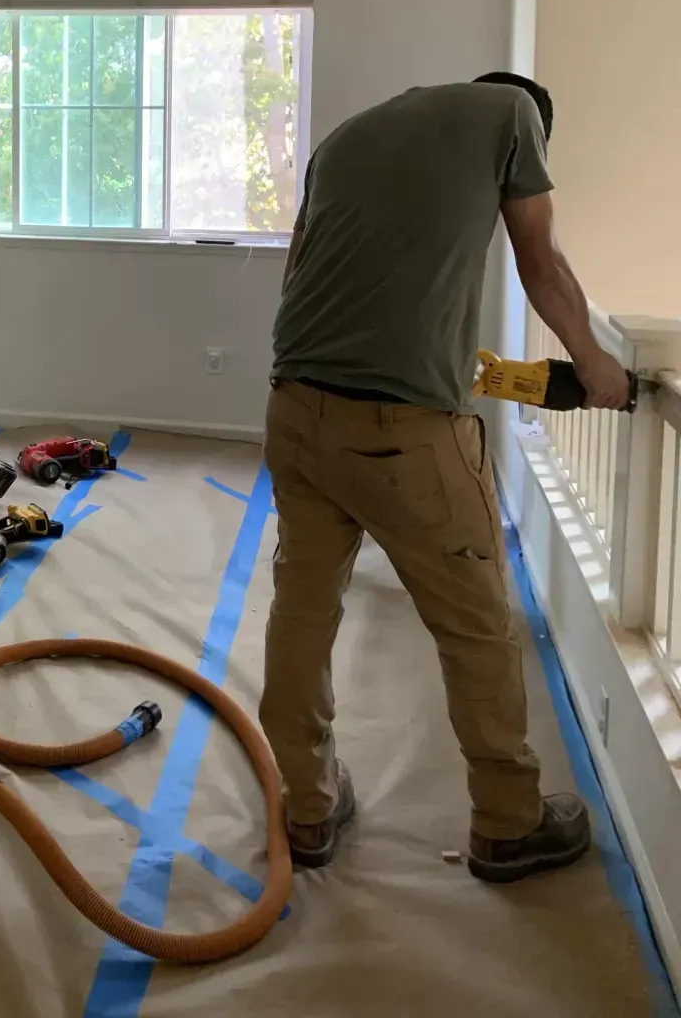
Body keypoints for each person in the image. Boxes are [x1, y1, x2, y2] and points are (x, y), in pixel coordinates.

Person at [259, 73, 629, 883]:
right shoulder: (519, 112)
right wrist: (598, 369)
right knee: (479, 627)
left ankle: (309, 806)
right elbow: (541, 258)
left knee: (303, 611)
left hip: (294, 409)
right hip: (406, 439)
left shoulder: (348, 135)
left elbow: (300, 279)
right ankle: (509, 821)